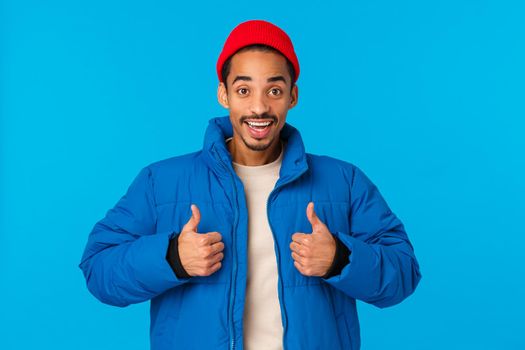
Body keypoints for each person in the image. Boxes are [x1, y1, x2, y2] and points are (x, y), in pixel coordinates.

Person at [79, 19, 422, 350]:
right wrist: (171, 257)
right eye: (244, 90)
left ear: (293, 96)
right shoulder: (161, 182)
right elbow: (98, 269)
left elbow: (404, 272)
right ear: (224, 95)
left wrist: (341, 258)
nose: (259, 107)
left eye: (274, 90)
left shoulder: (343, 182)